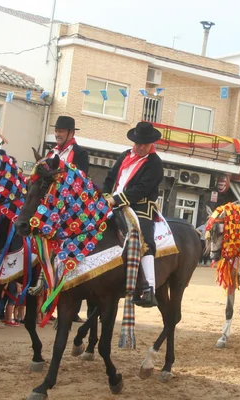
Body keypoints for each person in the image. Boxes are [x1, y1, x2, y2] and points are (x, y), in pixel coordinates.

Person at [104, 121, 163, 307]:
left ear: (150, 144)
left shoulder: (155, 163)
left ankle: (148, 287)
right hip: (112, 202)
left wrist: (117, 199)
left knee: (144, 237)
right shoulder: (124, 155)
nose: (139, 147)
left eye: (143, 144)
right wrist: (105, 194)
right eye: (137, 143)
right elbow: (110, 177)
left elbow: (142, 189)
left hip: (140, 206)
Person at [48, 115, 90, 322]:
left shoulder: (80, 154)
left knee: (75, 253)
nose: (57, 134)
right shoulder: (51, 152)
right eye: (56, 130)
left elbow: (80, 181)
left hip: (71, 209)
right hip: (50, 208)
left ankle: (72, 307)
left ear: (71, 133)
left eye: (61, 131)